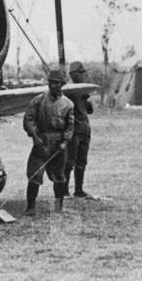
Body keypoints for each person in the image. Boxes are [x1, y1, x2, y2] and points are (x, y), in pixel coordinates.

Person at [23, 68, 75, 214]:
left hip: (59, 144)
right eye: (51, 83)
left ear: (62, 84)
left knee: (59, 177)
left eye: (57, 83)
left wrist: (65, 142)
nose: (53, 86)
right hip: (41, 141)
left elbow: (70, 126)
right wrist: (35, 137)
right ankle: (30, 207)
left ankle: (58, 208)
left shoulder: (68, 104)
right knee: (34, 175)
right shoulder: (38, 100)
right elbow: (28, 119)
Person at [65, 61, 94, 198]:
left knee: (82, 161)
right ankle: (64, 190)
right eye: (80, 73)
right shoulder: (68, 91)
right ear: (73, 74)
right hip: (74, 131)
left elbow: (90, 110)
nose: (83, 75)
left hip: (84, 129)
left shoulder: (83, 90)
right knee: (69, 161)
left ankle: (78, 190)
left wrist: (86, 100)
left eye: (83, 73)